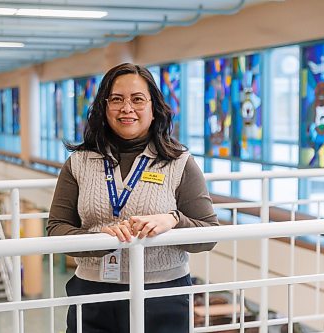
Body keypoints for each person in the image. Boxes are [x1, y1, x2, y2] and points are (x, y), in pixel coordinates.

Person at [47, 63, 219, 333]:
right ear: (104, 107)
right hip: (93, 296)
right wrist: (100, 239)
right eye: (117, 99)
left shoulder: (179, 163)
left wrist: (173, 221)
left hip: (163, 296)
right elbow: (56, 230)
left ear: (154, 108)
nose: (127, 108)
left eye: (138, 99)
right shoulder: (78, 163)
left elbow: (209, 234)